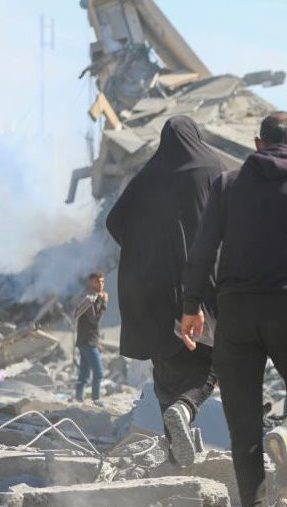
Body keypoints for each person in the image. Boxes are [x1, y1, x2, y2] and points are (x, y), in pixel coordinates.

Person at [178, 111, 287, 507]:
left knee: (242, 416)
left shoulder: (228, 184)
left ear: (257, 143)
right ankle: (286, 432)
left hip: (235, 311)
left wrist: (191, 306)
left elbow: (202, 251)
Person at [106, 115, 225, 466]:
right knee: (215, 356)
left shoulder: (151, 173)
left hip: (153, 287)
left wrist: (147, 247)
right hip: (200, 281)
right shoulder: (211, 166)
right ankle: (185, 410)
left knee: (166, 363)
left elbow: (115, 221)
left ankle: (175, 449)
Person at [73, 272, 108, 402]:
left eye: (102, 282)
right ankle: (96, 400)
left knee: (84, 375)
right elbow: (94, 320)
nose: (101, 284)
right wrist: (104, 303)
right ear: (91, 283)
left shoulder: (94, 297)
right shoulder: (89, 298)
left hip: (89, 340)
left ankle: (78, 399)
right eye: (98, 282)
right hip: (87, 341)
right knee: (98, 373)